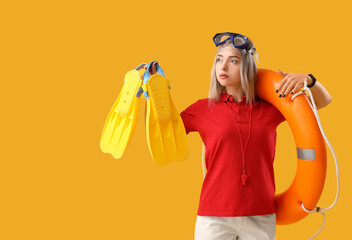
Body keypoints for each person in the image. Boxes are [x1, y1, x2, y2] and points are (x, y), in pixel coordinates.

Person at [179, 32, 332, 240]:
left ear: (247, 67)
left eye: (233, 61)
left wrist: (309, 80)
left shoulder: (269, 109)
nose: (223, 67)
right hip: (214, 216)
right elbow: (163, 130)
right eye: (219, 60)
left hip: (260, 215)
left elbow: (323, 101)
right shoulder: (203, 109)